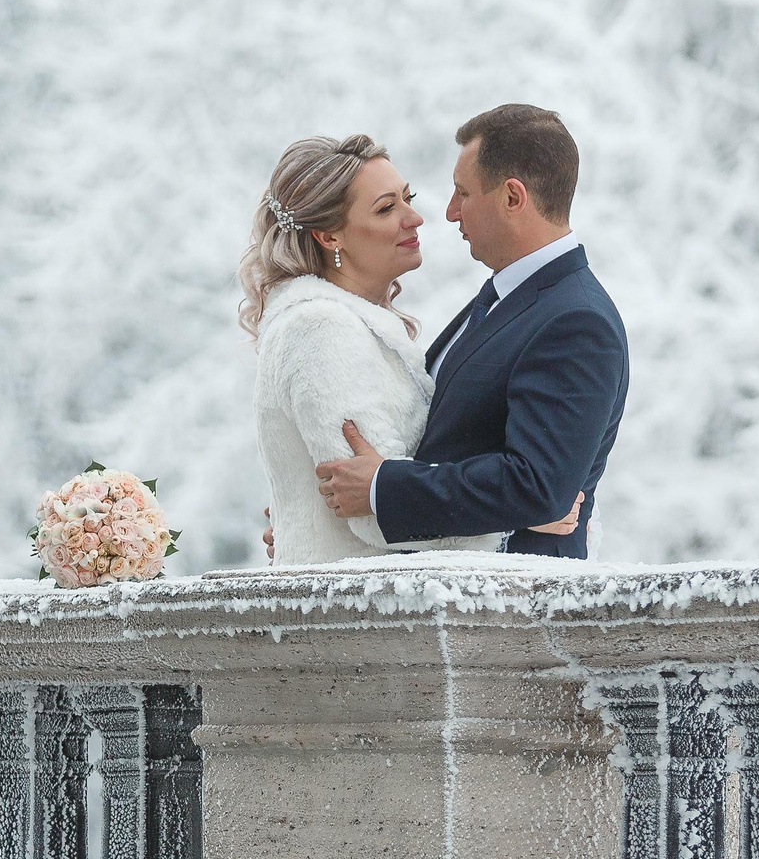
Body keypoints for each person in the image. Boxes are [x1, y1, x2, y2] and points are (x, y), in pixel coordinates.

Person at [241, 133, 578, 565]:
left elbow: (384, 482)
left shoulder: (357, 327)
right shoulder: (319, 329)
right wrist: (521, 518)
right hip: (353, 616)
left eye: (407, 197)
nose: (415, 218)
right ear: (330, 237)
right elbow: (370, 509)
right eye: (386, 208)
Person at [312, 104, 627, 560]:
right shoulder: (506, 296)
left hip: (506, 616)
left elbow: (538, 486)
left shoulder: (576, 321)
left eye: (463, 193)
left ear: (513, 198)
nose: (450, 212)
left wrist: (384, 488)